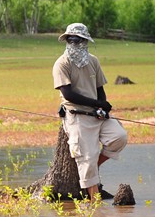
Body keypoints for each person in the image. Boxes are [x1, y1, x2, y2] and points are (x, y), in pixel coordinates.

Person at [52, 23, 127, 201]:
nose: (73, 43)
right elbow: (68, 94)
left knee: (119, 136)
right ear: (67, 41)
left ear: (85, 41)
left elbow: (99, 88)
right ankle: (94, 203)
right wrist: (97, 104)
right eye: (70, 39)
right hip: (77, 116)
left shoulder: (93, 61)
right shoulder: (61, 63)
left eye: (77, 40)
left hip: (97, 115)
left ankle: (94, 167)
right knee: (86, 157)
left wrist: (103, 106)